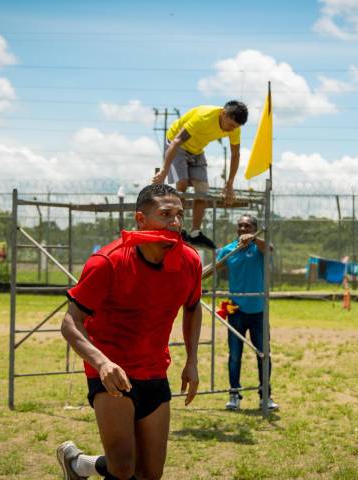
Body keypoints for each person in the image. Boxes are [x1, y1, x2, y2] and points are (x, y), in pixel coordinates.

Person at [56, 184, 203, 480]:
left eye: (179, 215)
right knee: (123, 468)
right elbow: (70, 322)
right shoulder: (108, 262)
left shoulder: (189, 261)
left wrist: (192, 360)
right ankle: (83, 463)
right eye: (165, 214)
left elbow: (192, 307)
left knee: (149, 473)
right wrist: (102, 363)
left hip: (154, 372)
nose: (175, 222)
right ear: (140, 219)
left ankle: (79, 464)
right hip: (112, 374)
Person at [151, 101, 248, 250]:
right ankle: (178, 228)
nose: (231, 129)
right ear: (223, 113)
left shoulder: (234, 128)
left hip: (197, 150)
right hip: (177, 145)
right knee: (181, 184)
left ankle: (195, 233)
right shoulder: (203, 118)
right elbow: (176, 141)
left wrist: (229, 184)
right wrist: (164, 170)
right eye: (230, 125)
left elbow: (235, 155)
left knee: (202, 190)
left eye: (235, 127)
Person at [216, 214, 277, 412]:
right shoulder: (228, 250)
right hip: (236, 312)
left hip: (259, 312)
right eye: (240, 226)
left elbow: (269, 248)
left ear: (254, 228)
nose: (243, 229)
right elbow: (215, 267)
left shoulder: (259, 248)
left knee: (263, 355)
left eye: (247, 225)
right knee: (235, 356)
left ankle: (265, 396)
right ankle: (234, 395)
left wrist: (254, 239)